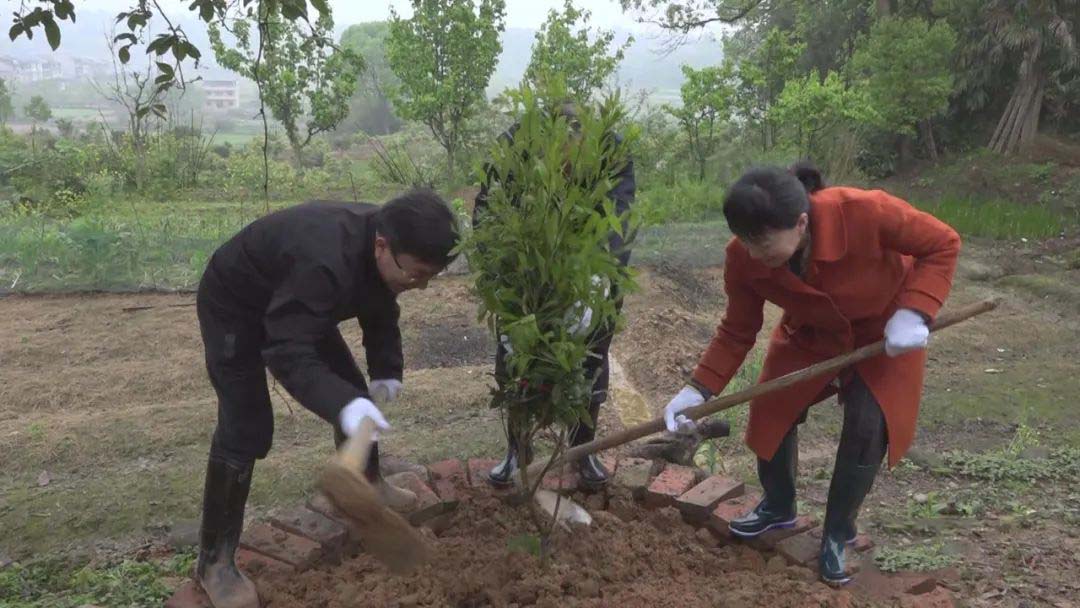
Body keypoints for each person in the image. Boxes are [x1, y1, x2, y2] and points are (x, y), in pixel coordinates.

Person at [663, 163, 960, 586]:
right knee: (772, 409)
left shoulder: (865, 211)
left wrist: (915, 311)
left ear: (801, 223)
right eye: (745, 241)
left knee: (866, 426)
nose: (753, 254)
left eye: (763, 243)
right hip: (813, 333)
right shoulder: (743, 258)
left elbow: (943, 243)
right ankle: (777, 506)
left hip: (886, 332)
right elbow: (737, 329)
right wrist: (698, 388)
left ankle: (839, 532)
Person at [194, 190, 458, 608]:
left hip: (299, 302)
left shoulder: (380, 247)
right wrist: (344, 405)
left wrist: (386, 370)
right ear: (382, 246)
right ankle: (215, 563)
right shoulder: (324, 261)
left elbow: (380, 304)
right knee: (246, 425)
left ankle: (366, 485)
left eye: (430, 278)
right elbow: (286, 349)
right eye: (416, 274)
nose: (420, 286)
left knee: (349, 388)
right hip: (237, 304)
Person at [473, 101, 635, 490]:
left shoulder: (611, 153)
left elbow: (619, 217)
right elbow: (487, 211)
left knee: (592, 354)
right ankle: (517, 450)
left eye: (572, 166)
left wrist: (595, 280)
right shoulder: (514, 147)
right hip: (527, 271)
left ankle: (583, 450)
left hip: (592, 268)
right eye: (556, 163)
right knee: (516, 357)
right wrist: (504, 283)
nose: (564, 172)